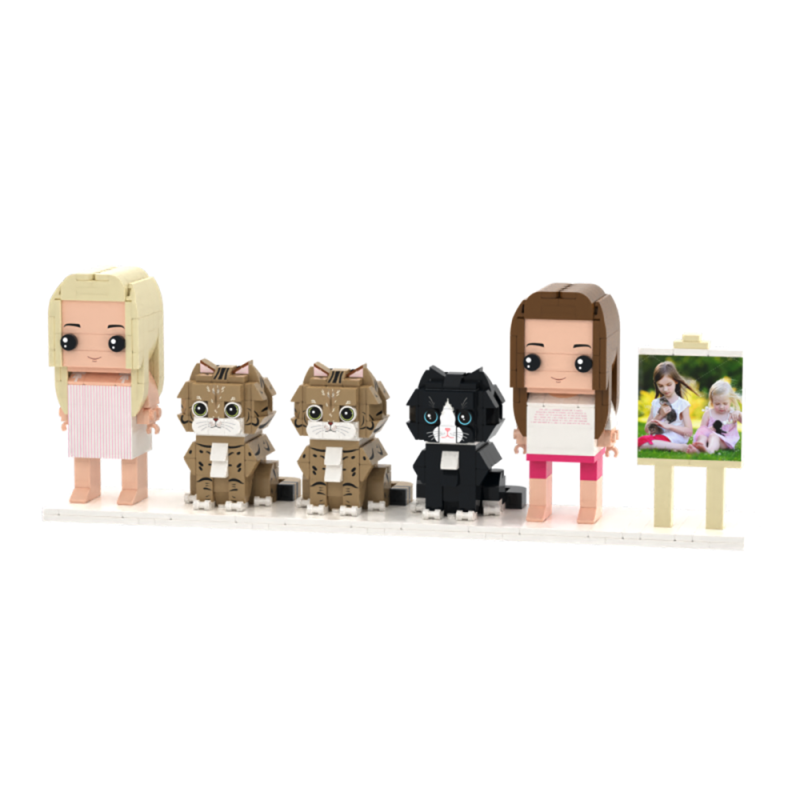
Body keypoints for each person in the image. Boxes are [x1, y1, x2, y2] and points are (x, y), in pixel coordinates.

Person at [49, 268, 164, 505]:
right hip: (85, 415)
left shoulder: (137, 373)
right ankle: (85, 486)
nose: (94, 353)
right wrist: (67, 411)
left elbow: (149, 386)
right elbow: (63, 392)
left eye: (116, 342)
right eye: (69, 341)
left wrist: (148, 409)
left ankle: (134, 487)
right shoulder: (70, 374)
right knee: (83, 450)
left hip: (125, 414)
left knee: (131, 450)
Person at [510, 283, 619, 524]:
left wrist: (607, 433)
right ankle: (539, 505)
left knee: (589, 469)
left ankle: (590, 507)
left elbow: (607, 411)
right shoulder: (530, 395)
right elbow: (523, 410)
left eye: (582, 362)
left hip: (583, 434)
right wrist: (523, 434)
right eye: (532, 361)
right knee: (538, 466)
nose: (558, 373)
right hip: (543, 432)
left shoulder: (597, 396)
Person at [690, 379, 742, 454]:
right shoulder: (708, 414)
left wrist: (739, 413)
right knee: (702, 436)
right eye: (717, 404)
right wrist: (709, 430)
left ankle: (710, 450)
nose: (721, 407)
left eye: (725, 403)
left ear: (730, 400)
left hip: (725, 441)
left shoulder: (732, 414)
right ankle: (699, 447)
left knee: (714, 436)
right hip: (708, 438)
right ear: (712, 401)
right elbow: (701, 430)